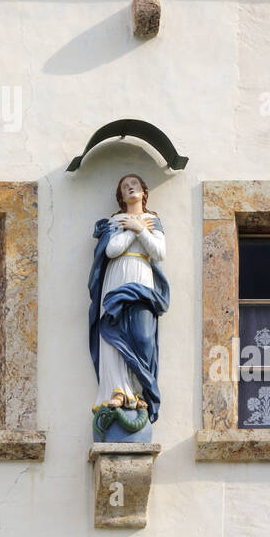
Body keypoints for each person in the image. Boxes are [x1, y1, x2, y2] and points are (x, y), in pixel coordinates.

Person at [88, 174, 169, 421]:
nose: (130, 187)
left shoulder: (153, 220)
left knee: (143, 337)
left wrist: (140, 228)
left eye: (134, 184)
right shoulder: (116, 221)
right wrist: (133, 228)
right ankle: (119, 391)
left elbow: (159, 252)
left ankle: (138, 391)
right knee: (114, 335)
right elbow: (112, 250)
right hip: (116, 280)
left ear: (144, 192)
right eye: (125, 186)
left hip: (143, 281)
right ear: (121, 197)